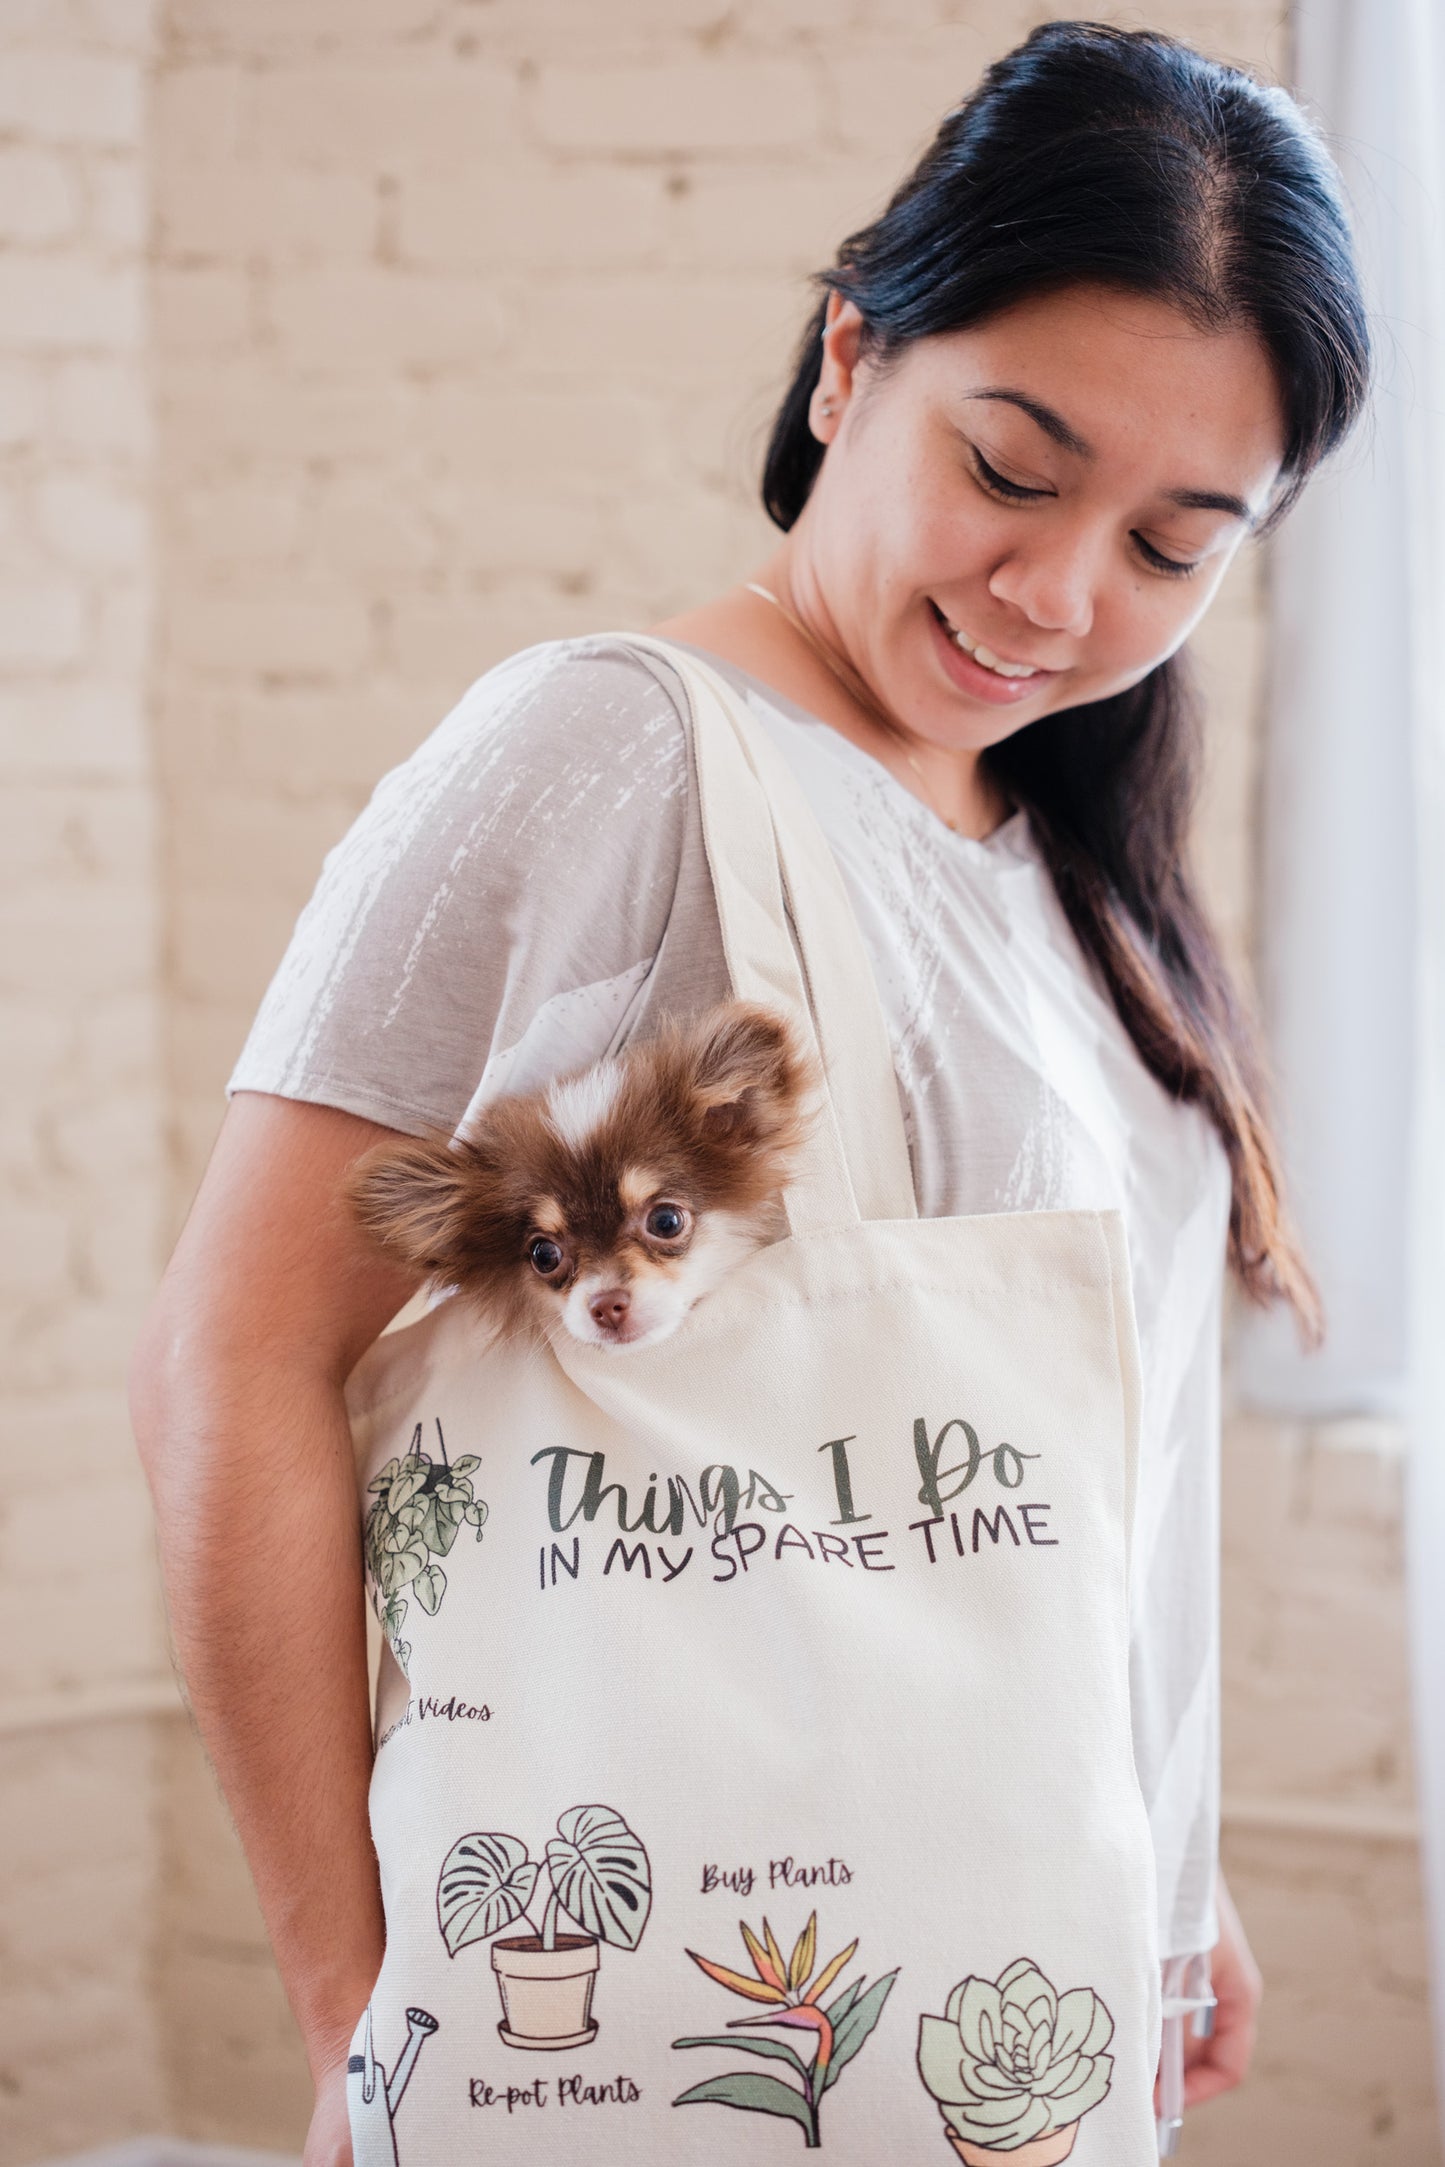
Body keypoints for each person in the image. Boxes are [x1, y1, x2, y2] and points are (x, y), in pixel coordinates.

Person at [130, 21, 1369, 2165]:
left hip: (1029, 2006)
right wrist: (357, 2003)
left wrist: (1169, 1864)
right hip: (671, 2052)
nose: (1062, 595)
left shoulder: (1070, 856)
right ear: (844, 364)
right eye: (1010, 466)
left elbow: (1077, 1454)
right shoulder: (606, 753)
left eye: (1177, 545)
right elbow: (228, 1361)